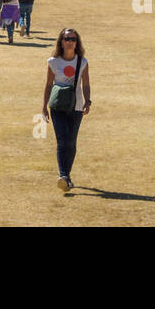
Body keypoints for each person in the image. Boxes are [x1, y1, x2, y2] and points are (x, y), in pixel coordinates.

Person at [42, 28, 91, 191]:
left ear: (77, 43)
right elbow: (48, 84)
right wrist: (44, 107)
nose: (70, 42)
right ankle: (64, 176)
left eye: (73, 39)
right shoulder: (53, 62)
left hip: (76, 107)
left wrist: (87, 101)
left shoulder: (82, 62)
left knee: (71, 142)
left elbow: (86, 83)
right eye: (67, 38)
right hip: (57, 106)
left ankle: (66, 176)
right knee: (62, 141)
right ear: (61, 42)